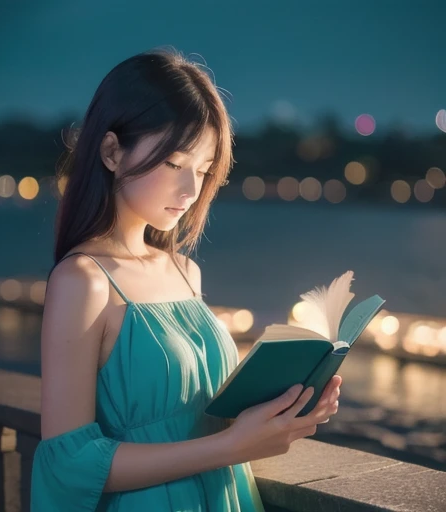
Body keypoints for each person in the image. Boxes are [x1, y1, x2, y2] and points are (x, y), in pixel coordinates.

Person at [30, 47, 342, 512]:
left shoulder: (184, 271)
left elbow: (199, 415)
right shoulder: (84, 281)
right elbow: (69, 462)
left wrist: (286, 410)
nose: (192, 190)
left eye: (203, 169)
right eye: (175, 164)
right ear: (112, 152)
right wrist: (233, 448)